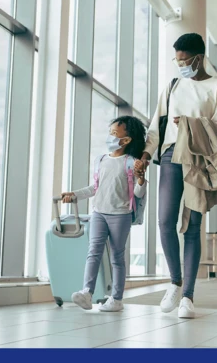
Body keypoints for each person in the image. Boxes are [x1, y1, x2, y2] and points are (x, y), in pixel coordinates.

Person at [141, 33, 217, 319]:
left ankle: (188, 297)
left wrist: (191, 124)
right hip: (170, 155)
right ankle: (175, 282)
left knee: (192, 226)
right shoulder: (173, 85)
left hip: (198, 159)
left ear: (199, 58)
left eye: (184, 60)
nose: (180, 64)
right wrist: (145, 154)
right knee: (165, 221)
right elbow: (156, 125)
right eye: (177, 60)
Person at [62, 116, 148, 312]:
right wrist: (74, 194)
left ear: (126, 140)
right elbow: (95, 188)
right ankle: (87, 292)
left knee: (117, 257)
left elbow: (138, 194)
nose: (110, 137)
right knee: (93, 252)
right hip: (98, 213)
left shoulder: (131, 163)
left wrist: (141, 180)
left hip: (121, 215)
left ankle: (116, 299)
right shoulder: (101, 160)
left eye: (114, 134)